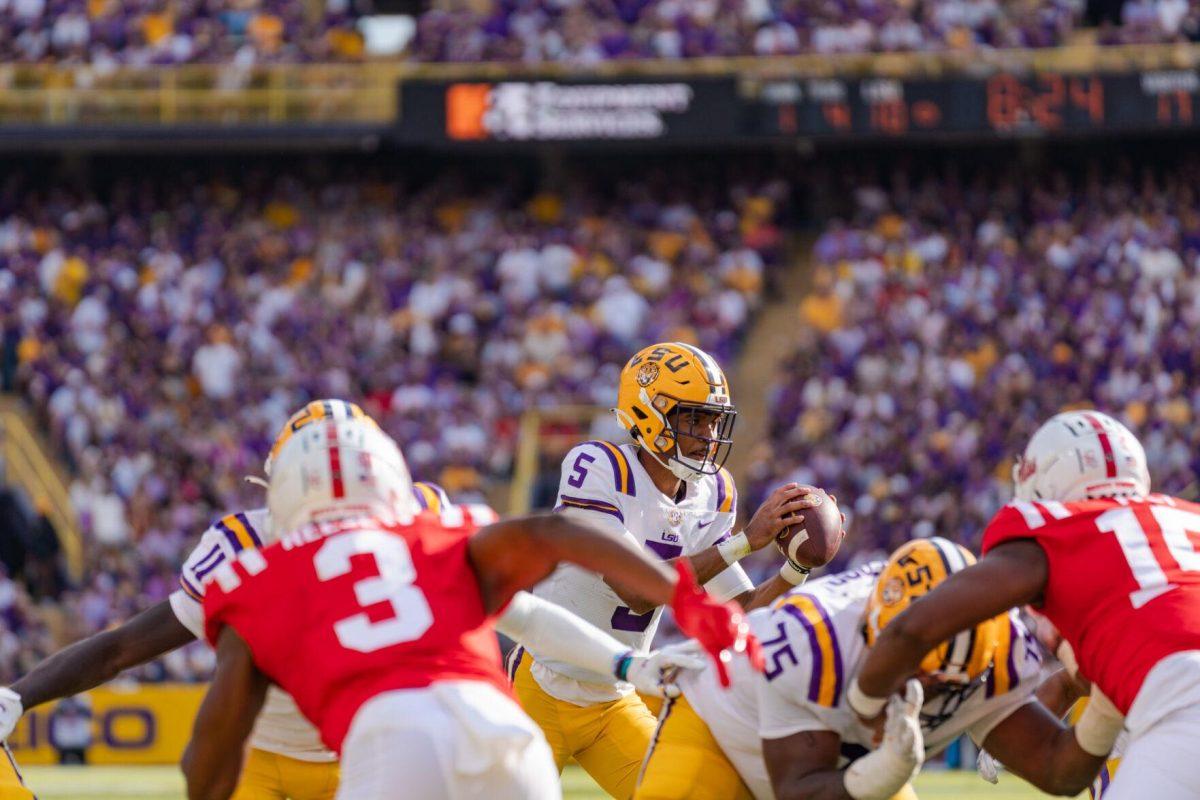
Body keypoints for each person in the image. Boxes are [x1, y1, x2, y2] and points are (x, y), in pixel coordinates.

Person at [0, 400, 707, 800]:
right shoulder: (432, 521)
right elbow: (538, 581)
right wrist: (638, 651)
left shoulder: (257, 563)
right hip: (473, 727)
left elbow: (167, 688)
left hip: (362, 744)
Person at [183, 414, 759, 800]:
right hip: (505, 730)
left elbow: (209, 753)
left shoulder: (259, 574)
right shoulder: (440, 531)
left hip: (390, 739)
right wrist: (660, 622)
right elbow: (550, 550)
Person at [517, 342, 824, 797]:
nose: (707, 433)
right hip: (542, 686)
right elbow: (634, 589)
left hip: (613, 698)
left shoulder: (712, 492)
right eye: (693, 418)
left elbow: (741, 613)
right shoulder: (599, 467)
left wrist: (795, 569)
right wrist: (745, 542)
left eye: (713, 420)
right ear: (647, 413)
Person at [851, 410, 1187, 800]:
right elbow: (1078, 681)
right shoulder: (1184, 518)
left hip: (1180, 700)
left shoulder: (1058, 528)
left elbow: (918, 626)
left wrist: (863, 705)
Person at [637, 536, 1109, 800]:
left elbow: (1057, 771)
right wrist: (879, 774)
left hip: (844, 761)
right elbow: (795, 789)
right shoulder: (814, 638)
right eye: (916, 672)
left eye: (950, 685)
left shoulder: (1004, 654)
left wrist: (1100, 699)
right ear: (875, 631)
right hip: (723, 727)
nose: (928, 692)